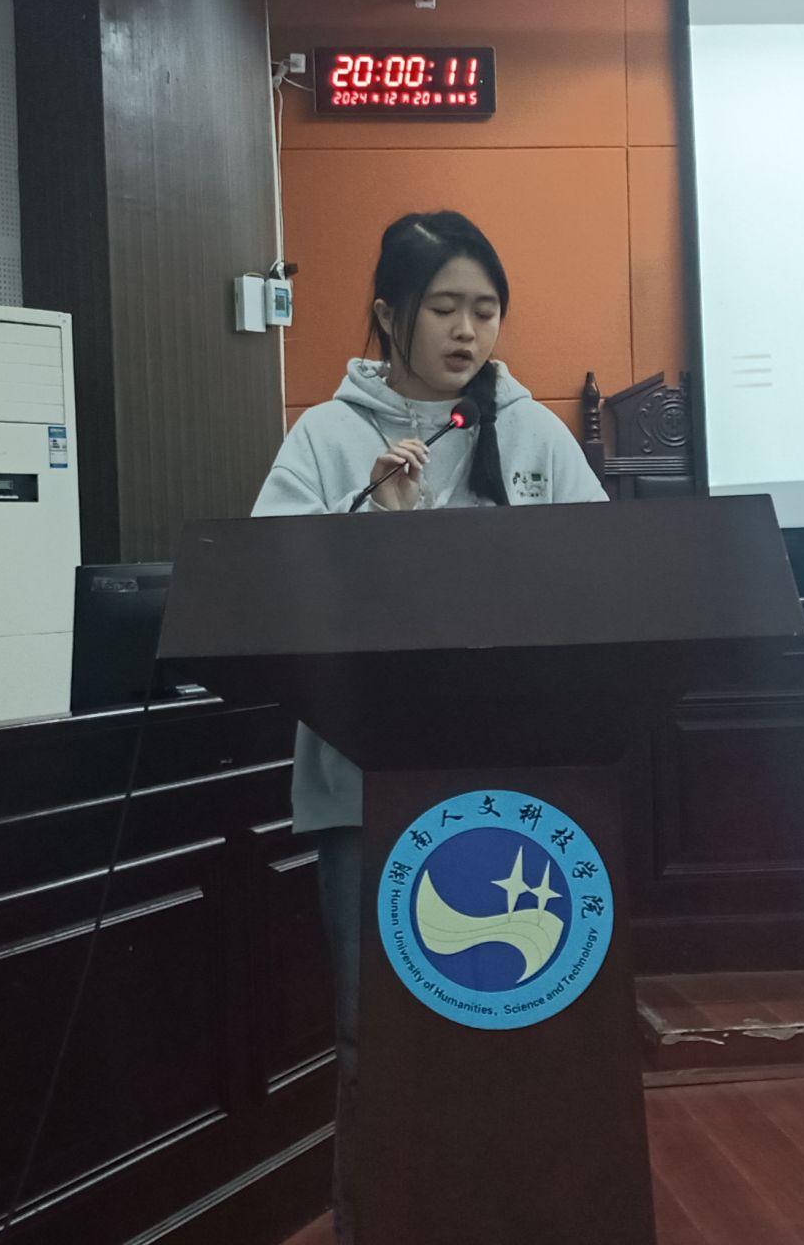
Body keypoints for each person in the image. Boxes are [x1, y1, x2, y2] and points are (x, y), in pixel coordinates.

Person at [251, 210, 606, 1241]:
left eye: (485, 310)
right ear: (387, 313)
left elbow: (607, 574)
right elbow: (269, 592)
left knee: (519, 1024)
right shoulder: (325, 437)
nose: (467, 331)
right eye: (444, 307)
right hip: (365, 785)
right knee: (379, 1034)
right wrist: (374, 523)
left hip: (520, 781)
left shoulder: (531, 432)